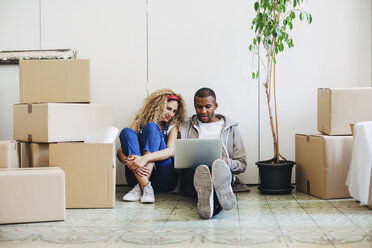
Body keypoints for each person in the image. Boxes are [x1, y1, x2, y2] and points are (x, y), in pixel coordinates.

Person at [179, 87, 247, 219]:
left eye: (208, 106)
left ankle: (209, 202)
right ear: (194, 106)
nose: (203, 111)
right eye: (199, 107)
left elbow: (242, 164)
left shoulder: (231, 127)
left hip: (222, 170)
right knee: (202, 173)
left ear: (216, 106)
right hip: (192, 175)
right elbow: (178, 160)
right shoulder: (185, 126)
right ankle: (217, 196)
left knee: (217, 169)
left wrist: (226, 162)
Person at [117, 88, 186, 203]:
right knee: (126, 132)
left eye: (174, 111)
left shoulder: (172, 126)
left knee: (151, 127)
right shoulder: (139, 122)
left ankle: (142, 186)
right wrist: (127, 161)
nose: (171, 114)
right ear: (158, 105)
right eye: (168, 108)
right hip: (134, 177)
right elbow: (120, 151)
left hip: (163, 178)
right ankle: (145, 186)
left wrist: (145, 158)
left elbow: (171, 151)